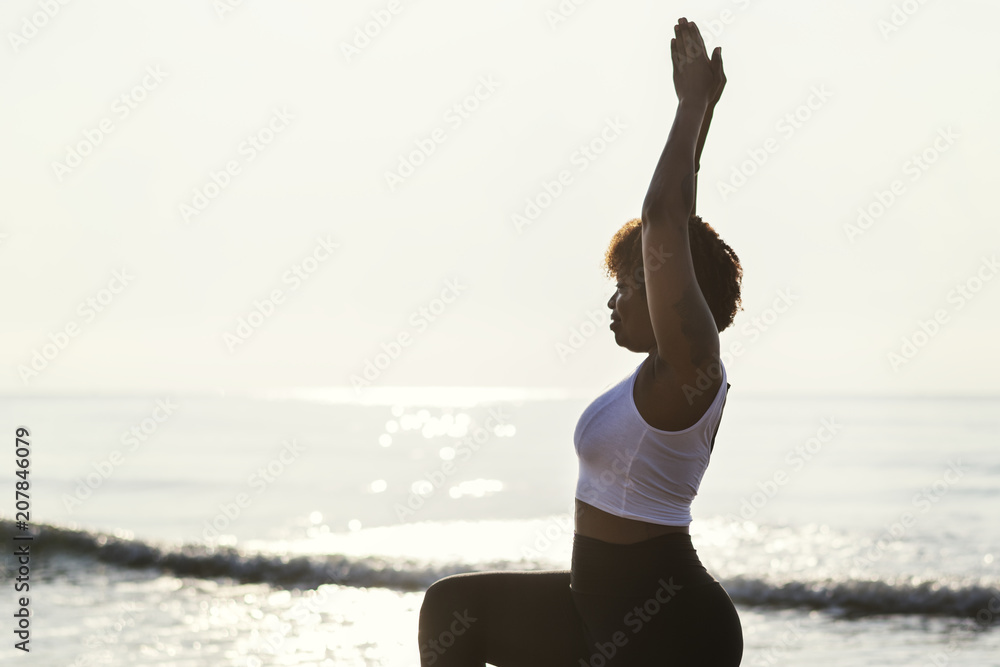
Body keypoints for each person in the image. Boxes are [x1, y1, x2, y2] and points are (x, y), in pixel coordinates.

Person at [417, 17, 744, 666]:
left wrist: (690, 105)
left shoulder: (689, 369)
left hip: (670, 624)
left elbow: (665, 221)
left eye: (628, 283)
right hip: (596, 607)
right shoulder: (660, 372)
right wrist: (698, 124)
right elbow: (678, 219)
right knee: (454, 609)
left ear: (669, 289)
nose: (613, 298)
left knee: (457, 612)